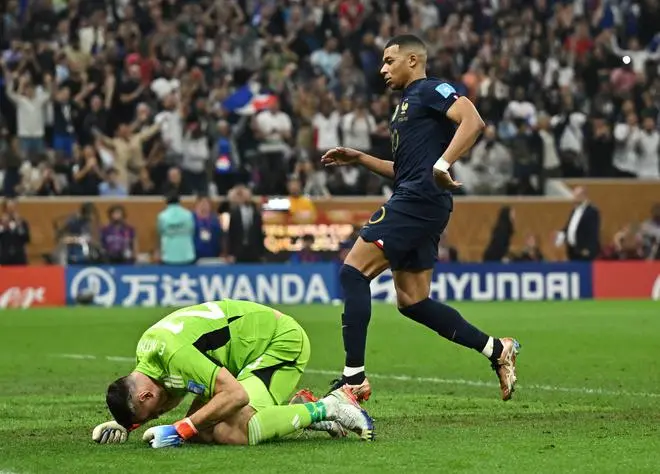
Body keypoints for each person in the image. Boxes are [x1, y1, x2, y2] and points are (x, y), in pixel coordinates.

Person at [321, 34, 520, 402]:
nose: (382, 69)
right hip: (419, 196)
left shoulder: (430, 89)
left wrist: (444, 163)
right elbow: (406, 169)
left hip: (418, 200)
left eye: (389, 61)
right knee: (413, 300)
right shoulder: (404, 107)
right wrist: (361, 158)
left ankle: (353, 380)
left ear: (413, 60)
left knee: (353, 272)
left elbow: (473, 121)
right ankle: (497, 349)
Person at [91, 299, 374, 448]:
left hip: (278, 342)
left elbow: (236, 394)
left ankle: (329, 406)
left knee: (235, 432)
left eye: (151, 413)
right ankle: (293, 415)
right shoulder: (149, 354)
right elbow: (171, 389)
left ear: (144, 394)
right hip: (241, 359)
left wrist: (180, 429)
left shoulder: (174, 355)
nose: (158, 414)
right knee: (203, 433)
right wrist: (127, 424)